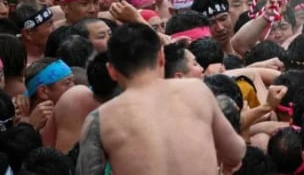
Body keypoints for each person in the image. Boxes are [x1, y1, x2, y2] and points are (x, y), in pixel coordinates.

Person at [76, 23, 246, 174]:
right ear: (161, 58)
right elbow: (236, 152)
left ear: (111, 70)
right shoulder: (197, 91)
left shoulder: (101, 119)